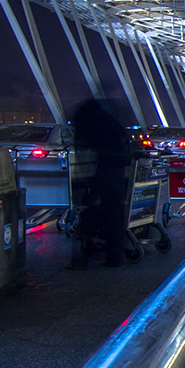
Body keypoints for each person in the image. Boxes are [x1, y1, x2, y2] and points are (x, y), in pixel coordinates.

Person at [69, 97, 132, 268]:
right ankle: (114, 254)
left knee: (92, 210)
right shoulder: (110, 123)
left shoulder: (92, 124)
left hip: (104, 172)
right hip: (115, 173)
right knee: (114, 211)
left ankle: (87, 253)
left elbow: (85, 147)